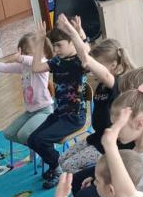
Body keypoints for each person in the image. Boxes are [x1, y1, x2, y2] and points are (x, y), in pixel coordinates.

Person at [72, 66, 143, 197]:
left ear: (139, 123)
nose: (114, 129)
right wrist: (98, 180)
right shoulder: (139, 145)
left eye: (119, 125)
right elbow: (124, 173)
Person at [56, 14, 134, 175]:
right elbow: (87, 54)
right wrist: (81, 34)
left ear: (113, 65)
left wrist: (71, 32)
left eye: (97, 66)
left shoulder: (115, 83)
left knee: (68, 166)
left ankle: (98, 178)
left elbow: (87, 60)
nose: (91, 71)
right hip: (97, 137)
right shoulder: (103, 83)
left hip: (110, 145)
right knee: (61, 161)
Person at [27, 20, 88, 188]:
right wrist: (40, 40)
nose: (55, 50)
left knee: (40, 140)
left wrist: (79, 34)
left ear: (72, 42)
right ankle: (57, 165)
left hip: (74, 117)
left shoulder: (80, 62)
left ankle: (58, 167)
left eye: (59, 45)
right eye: (53, 46)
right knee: (32, 140)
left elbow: (86, 52)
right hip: (59, 115)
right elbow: (36, 67)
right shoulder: (57, 61)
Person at [0, 32, 53, 147]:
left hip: (44, 110)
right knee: (9, 134)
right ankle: (37, 146)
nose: (23, 56)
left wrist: (20, 58)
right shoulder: (24, 67)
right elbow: (4, 67)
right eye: (21, 52)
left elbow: (32, 60)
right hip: (30, 112)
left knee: (23, 135)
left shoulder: (42, 65)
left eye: (26, 53)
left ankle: (45, 149)